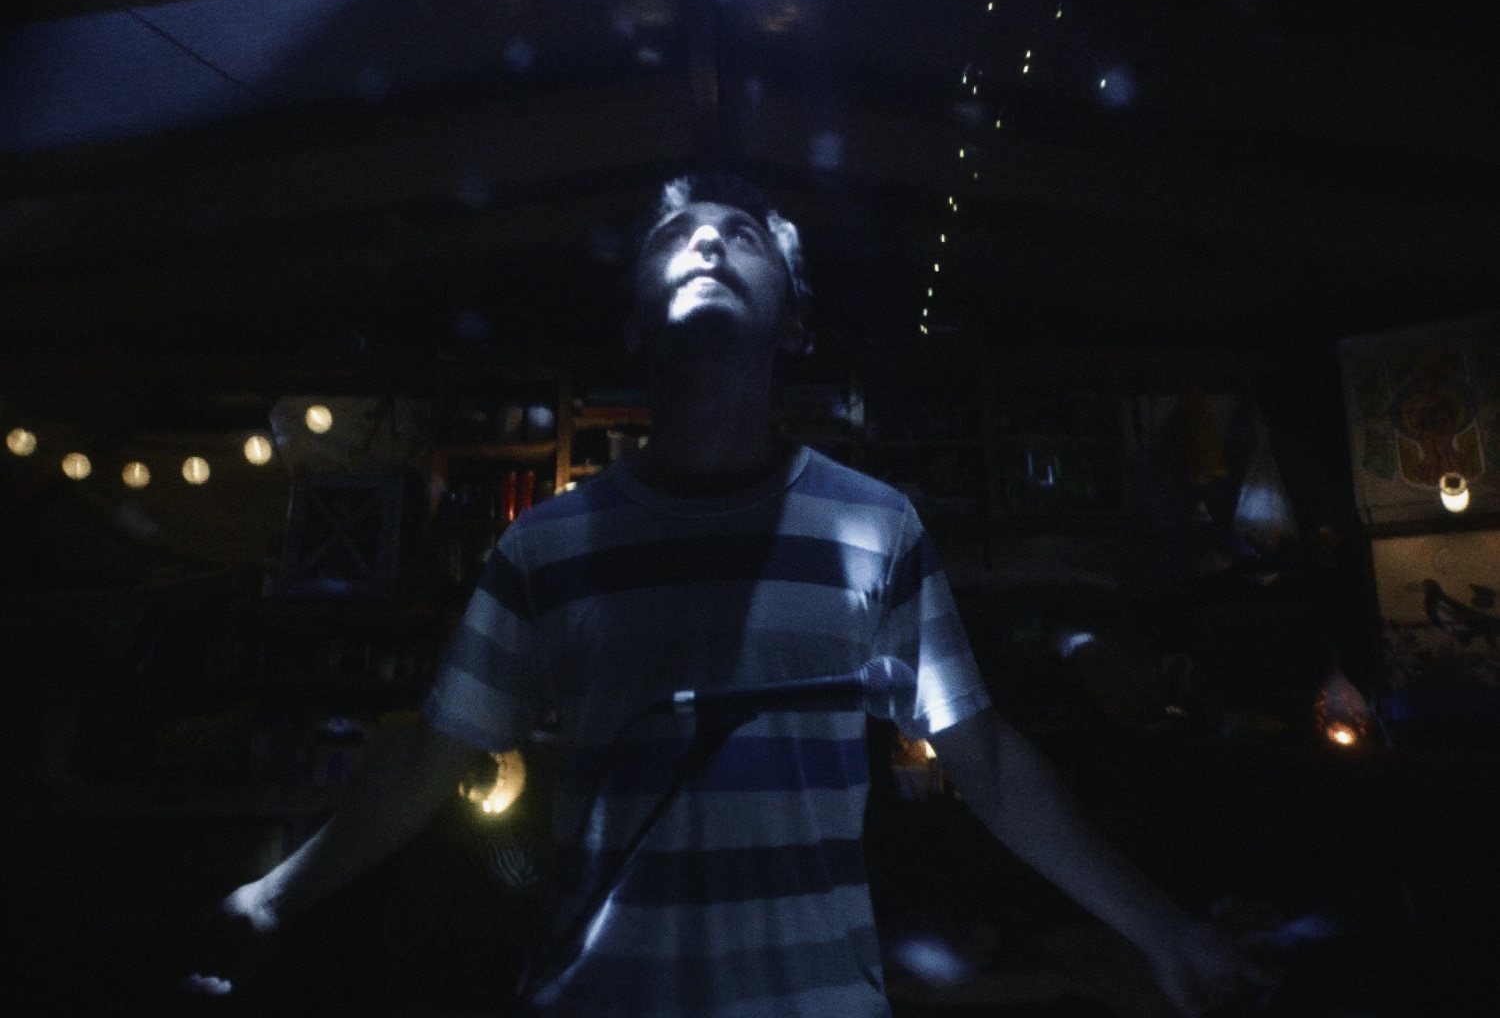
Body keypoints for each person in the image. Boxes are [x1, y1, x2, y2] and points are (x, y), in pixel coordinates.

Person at [214, 173, 1267, 1016]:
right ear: (635, 325)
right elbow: (430, 758)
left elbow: (984, 759)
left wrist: (1164, 931)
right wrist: (271, 898)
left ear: (794, 326)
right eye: (676, 236)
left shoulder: (875, 527)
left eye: (743, 236)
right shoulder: (546, 546)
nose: (709, 242)